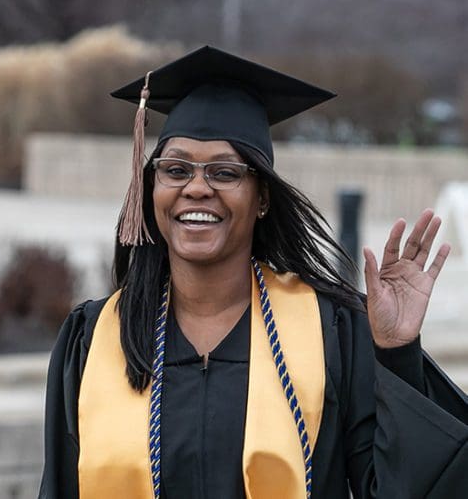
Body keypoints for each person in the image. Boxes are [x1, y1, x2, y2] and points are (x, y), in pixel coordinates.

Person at [38, 46, 468, 499]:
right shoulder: (93, 339)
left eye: (225, 173)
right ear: (151, 189)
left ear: (261, 197)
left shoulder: (331, 332)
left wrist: (397, 355)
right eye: (176, 170)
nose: (197, 189)